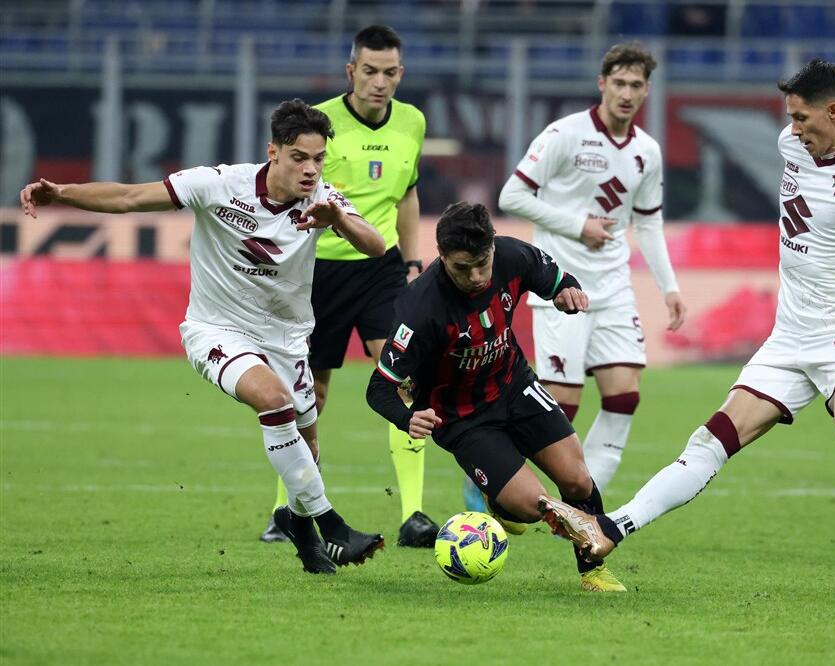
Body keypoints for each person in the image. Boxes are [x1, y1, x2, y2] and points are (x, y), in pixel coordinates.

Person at [538, 60, 835, 604]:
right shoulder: (793, 145)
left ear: (834, 112)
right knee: (710, 440)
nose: (793, 129)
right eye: (790, 118)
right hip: (790, 334)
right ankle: (610, 529)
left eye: (802, 118)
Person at [21, 99, 387, 575]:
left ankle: (297, 524)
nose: (310, 170)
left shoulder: (323, 199)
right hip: (217, 329)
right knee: (273, 401)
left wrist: (337, 219)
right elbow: (130, 198)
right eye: (299, 157)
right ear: (273, 152)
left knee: (307, 442)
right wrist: (62, 193)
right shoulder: (221, 184)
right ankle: (332, 525)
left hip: (286, 336)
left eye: (318, 159)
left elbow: (375, 245)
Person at [366, 202, 627, 592]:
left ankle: (593, 572)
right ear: (441, 256)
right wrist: (407, 418)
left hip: (515, 386)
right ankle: (502, 500)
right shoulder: (419, 308)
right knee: (530, 506)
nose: (474, 277)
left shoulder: (512, 255)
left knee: (577, 480)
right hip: (463, 419)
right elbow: (378, 388)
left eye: (481, 264)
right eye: (461, 268)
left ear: (492, 248)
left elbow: (557, 279)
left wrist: (566, 292)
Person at [259, 26, 440, 548]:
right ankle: (287, 510)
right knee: (308, 393)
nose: (380, 82)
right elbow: (278, 190)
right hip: (319, 272)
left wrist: (413, 261)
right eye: (370, 71)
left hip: (381, 267)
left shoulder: (413, 121)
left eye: (390, 73)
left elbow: (407, 195)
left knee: (404, 377)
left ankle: (414, 515)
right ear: (351, 71)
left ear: (401, 74)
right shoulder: (317, 125)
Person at [498, 41, 685, 493]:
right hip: (560, 286)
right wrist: (578, 225)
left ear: (647, 90)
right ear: (602, 83)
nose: (626, 93)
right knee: (562, 407)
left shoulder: (647, 151)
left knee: (624, 397)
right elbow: (511, 196)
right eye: (619, 83)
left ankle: (586, 503)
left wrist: (670, 287)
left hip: (614, 287)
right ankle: (501, 472)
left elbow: (649, 222)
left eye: (636, 85)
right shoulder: (565, 134)